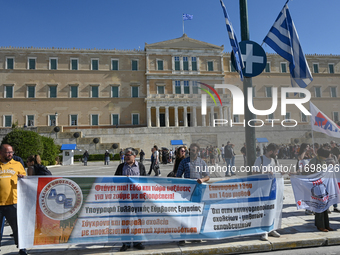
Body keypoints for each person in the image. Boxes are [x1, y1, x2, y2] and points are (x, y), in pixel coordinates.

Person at [176, 143, 210, 245]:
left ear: (197, 151)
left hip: (198, 192)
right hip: (186, 192)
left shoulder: (202, 162)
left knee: (196, 214)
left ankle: (195, 235)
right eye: (190, 150)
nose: (191, 152)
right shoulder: (184, 162)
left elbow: (207, 176)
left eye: (194, 151)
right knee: (185, 214)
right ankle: (182, 237)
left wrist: (202, 179)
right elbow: (178, 176)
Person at [114, 148, 145, 252]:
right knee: (125, 220)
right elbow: (115, 180)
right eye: (125, 155)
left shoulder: (140, 166)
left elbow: (145, 180)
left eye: (129, 155)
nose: (126, 156)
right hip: (124, 197)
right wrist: (123, 178)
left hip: (137, 197)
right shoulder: (121, 166)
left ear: (134, 156)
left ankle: (137, 242)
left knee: (138, 220)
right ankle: (125, 243)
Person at [0, 144, 27, 255]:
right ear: (1, 153)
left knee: (17, 228)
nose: (10, 154)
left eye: (12, 152)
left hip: (13, 203)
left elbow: (25, 178)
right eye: (8, 152)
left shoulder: (17, 164)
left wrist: (23, 177)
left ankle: (22, 248)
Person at [253, 143, 281, 241]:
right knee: (263, 210)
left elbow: (277, 171)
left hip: (272, 188)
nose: (277, 153)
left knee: (272, 208)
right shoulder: (260, 159)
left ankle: (271, 228)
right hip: (262, 188)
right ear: (270, 151)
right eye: (276, 151)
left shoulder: (274, 160)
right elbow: (254, 172)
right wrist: (265, 173)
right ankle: (263, 231)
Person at [307, 148, 334, 232]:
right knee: (319, 205)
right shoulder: (314, 160)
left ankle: (326, 224)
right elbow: (308, 171)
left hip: (323, 184)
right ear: (323, 155)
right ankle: (320, 225)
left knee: (325, 205)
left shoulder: (323, 161)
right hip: (316, 185)